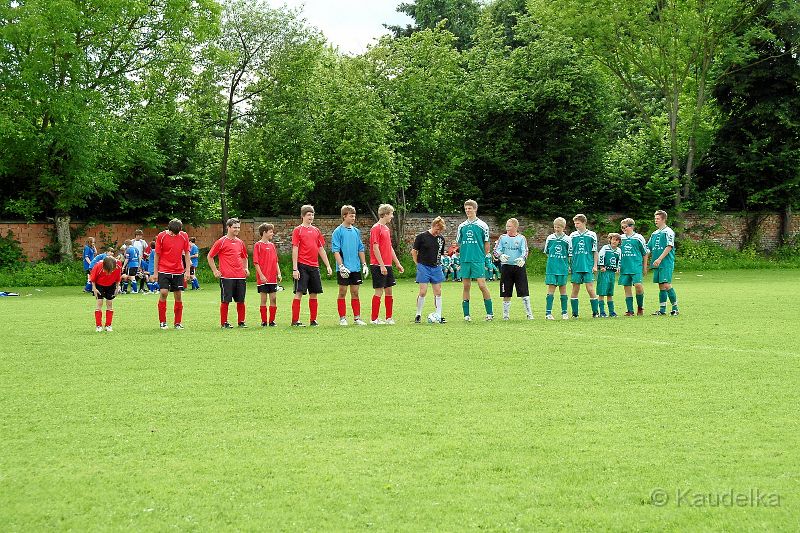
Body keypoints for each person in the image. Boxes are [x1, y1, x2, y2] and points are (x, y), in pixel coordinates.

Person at [291, 205, 333, 327]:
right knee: (299, 292)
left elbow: (321, 248)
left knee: (314, 293)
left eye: (312, 214)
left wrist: (328, 265)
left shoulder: (316, 231)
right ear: (303, 216)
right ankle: (295, 320)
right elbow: (295, 248)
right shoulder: (297, 230)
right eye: (309, 214)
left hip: (314, 266)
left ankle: (313, 320)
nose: (311, 217)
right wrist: (295, 268)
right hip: (302, 265)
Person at [208, 218, 249, 328]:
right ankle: (224, 323)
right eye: (235, 227)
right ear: (228, 227)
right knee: (226, 300)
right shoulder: (221, 242)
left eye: (238, 227)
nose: (237, 229)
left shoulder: (240, 242)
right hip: (226, 277)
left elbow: (245, 257)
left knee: (241, 300)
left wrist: (246, 268)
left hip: (240, 276)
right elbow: (210, 256)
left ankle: (241, 322)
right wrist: (215, 271)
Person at [331, 205, 369, 326]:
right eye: (351, 216)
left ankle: (357, 318)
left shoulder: (356, 231)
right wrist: (341, 266)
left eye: (354, 216)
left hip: (355, 268)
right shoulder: (338, 232)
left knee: (355, 292)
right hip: (344, 268)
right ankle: (342, 318)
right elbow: (336, 250)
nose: (353, 218)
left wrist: (364, 264)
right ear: (344, 216)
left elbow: (360, 248)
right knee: (342, 292)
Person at [456, 199, 494, 321]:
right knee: (466, 285)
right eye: (466, 209)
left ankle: (490, 313)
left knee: (482, 285)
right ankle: (466, 315)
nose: (467, 211)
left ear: (475, 209)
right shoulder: (461, 226)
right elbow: (459, 243)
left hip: (478, 259)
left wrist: (483, 256)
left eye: (470, 208)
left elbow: (486, 244)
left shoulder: (483, 225)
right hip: (465, 259)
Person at [150, 218, 191, 329]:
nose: (174, 235)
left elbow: (187, 253)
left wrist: (187, 270)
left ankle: (177, 323)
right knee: (163, 293)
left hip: (178, 270)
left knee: (178, 296)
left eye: (176, 233)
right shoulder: (161, 236)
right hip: (164, 269)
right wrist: (155, 273)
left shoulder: (184, 236)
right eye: (172, 233)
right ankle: (162, 322)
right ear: (169, 229)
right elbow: (157, 255)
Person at [369, 203, 405, 325]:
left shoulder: (386, 229)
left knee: (389, 291)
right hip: (378, 265)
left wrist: (397, 263)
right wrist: (382, 265)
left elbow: (389, 247)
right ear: (384, 214)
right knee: (379, 291)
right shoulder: (376, 228)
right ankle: (374, 319)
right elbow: (375, 248)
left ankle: (389, 317)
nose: (392, 216)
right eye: (391, 214)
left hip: (388, 265)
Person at [494, 218, 532, 320]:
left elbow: (525, 251)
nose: (507, 228)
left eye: (509, 226)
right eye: (506, 226)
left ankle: (529, 314)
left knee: (524, 292)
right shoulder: (502, 238)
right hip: (506, 267)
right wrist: (500, 256)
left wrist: (522, 259)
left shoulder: (521, 238)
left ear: (515, 227)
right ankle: (505, 316)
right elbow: (496, 250)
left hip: (519, 268)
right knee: (506, 292)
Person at [412, 217, 447, 324]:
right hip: (423, 267)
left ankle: (439, 315)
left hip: (436, 267)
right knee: (423, 292)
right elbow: (414, 251)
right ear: (433, 225)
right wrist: (417, 264)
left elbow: (440, 253)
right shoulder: (421, 237)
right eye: (437, 229)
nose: (438, 232)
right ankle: (418, 314)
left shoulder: (441, 239)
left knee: (438, 292)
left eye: (440, 230)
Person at [569, 214, 600, 318]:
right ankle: (575, 314)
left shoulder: (591, 235)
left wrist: (595, 265)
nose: (576, 225)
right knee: (575, 289)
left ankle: (595, 313)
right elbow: (570, 252)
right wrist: (569, 265)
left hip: (588, 266)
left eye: (578, 223)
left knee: (590, 289)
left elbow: (595, 251)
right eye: (575, 223)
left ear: (583, 223)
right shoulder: (573, 235)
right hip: (576, 266)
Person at [648, 210, 679, 316]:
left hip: (666, 262)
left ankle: (675, 308)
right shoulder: (654, 233)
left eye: (657, 219)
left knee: (666, 284)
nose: (655, 220)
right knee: (661, 285)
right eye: (655, 218)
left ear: (663, 219)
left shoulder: (669, 232)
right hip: (656, 263)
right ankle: (662, 309)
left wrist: (660, 259)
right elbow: (648, 248)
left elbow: (669, 246)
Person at [619, 217, 649, 316]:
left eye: (625, 227)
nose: (623, 229)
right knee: (627, 288)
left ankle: (640, 307)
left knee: (638, 286)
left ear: (631, 227)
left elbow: (645, 253)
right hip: (625, 266)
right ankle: (630, 310)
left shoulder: (638, 237)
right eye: (622, 228)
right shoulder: (621, 238)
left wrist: (645, 267)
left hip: (636, 265)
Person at [253, 223, 282, 327]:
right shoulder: (258, 245)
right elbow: (255, 262)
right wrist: (261, 275)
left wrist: (279, 273)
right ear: (264, 232)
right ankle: (264, 321)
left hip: (272, 278)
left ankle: (272, 321)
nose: (272, 233)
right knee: (264, 299)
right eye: (270, 231)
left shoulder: (272, 245)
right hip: (263, 279)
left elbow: (276, 261)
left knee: (273, 298)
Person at [544, 217, 572, 320]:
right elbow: (547, 252)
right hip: (551, 268)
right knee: (551, 288)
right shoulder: (550, 238)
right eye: (555, 227)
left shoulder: (568, 239)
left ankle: (564, 312)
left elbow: (570, 254)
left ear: (563, 227)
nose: (557, 229)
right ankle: (548, 313)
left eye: (559, 227)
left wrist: (568, 265)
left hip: (563, 268)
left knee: (563, 289)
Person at [90, 255, 122, 332]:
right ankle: (98, 326)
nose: (109, 273)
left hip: (111, 285)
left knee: (110, 303)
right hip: (99, 285)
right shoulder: (98, 266)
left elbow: (118, 279)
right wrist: (94, 288)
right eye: (107, 271)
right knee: (99, 303)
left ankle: (108, 325)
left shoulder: (117, 267)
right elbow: (93, 279)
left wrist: (117, 288)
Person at [597, 233, 622, 318]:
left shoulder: (619, 250)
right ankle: (602, 312)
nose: (614, 241)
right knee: (602, 292)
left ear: (619, 242)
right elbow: (600, 256)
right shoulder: (605, 248)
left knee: (609, 293)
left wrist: (618, 268)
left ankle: (611, 312)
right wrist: (601, 266)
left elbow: (619, 260)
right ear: (610, 240)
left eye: (616, 240)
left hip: (612, 273)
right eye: (613, 239)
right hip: (605, 272)